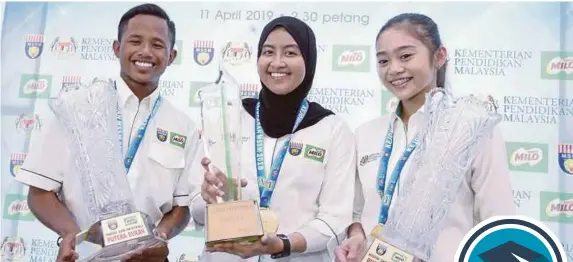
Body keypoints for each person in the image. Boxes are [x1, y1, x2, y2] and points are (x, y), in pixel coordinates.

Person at [15, 3, 199, 262]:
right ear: (117, 48)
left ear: (171, 56)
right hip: (86, 254)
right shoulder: (75, 108)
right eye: (135, 41)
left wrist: (161, 235)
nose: (145, 51)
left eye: (157, 45)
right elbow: (40, 192)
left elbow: (182, 206)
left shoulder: (184, 126)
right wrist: (72, 234)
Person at [334, 13, 515, 262]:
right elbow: (357, 211)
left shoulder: (472, 130)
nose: (394, 69)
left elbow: (498, 221)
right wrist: (355, 236)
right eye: (383, 60)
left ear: (439, 56)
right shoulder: (366, 134)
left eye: (406, 56)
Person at [191, 16, 356, 262]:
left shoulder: (331, 128)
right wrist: (210, 197)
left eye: (290, 53)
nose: (277, 62)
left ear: (308, 61)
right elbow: (195, 209)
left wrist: (284, 244)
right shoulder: (227, 118)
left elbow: (336, 217)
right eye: (268, 52)